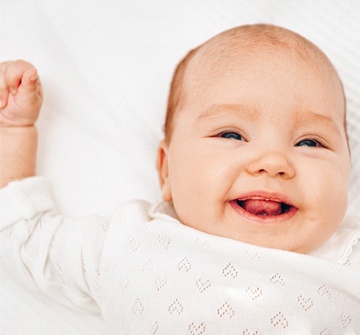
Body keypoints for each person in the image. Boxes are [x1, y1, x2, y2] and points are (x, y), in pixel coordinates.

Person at [0, 24, 359, 334]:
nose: (273, 162)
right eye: (232, 135)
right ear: (167, 170)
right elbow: (24, 239)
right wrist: (13, 130)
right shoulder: (128, 244)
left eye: (310, 142)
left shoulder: (348, 257)